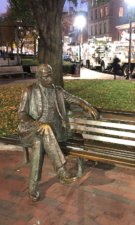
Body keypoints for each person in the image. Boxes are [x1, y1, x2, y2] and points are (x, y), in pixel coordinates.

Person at [18, 64, 99, 202]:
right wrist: (37, 124)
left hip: (54, 135)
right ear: (38, 77)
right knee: (44, 129)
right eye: (46, 76)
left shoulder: (58, 91)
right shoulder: (29, 91)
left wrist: (87, 106)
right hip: (31, 130)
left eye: (51, 75)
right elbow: (21, 114)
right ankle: (62, 171)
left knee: (38, 143)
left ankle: (33, 186)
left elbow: (74, 99)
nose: (50, 79)